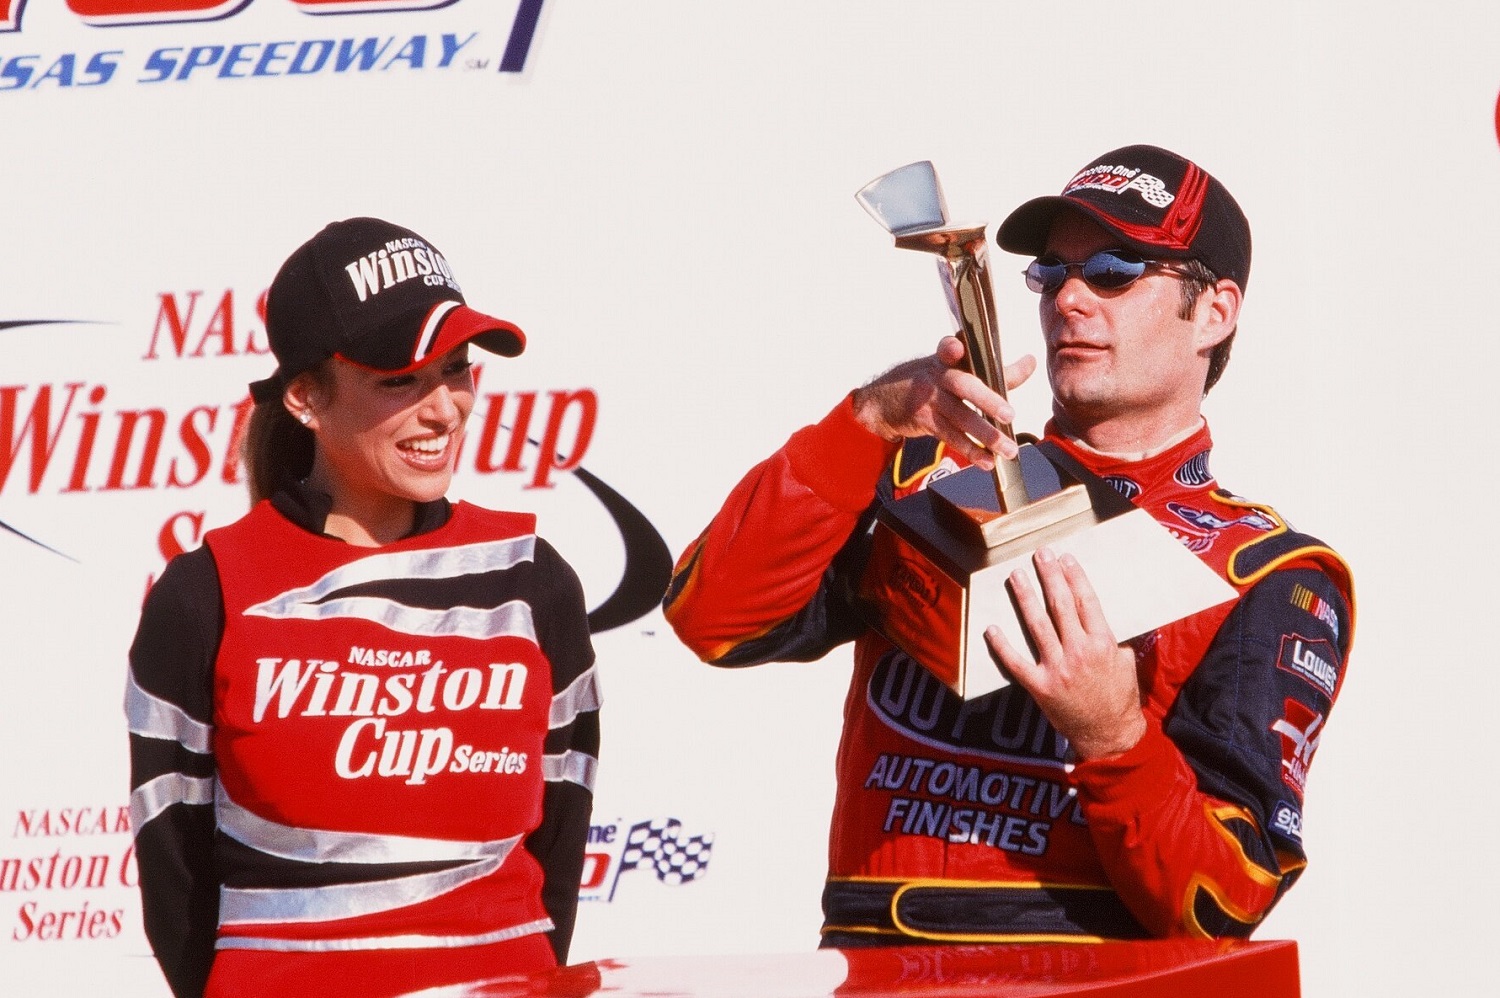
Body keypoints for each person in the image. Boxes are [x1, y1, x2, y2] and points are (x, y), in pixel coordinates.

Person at [664, 145, 1353, 945]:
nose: (1071, 300)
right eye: (1052, 275)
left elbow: (1223, 902)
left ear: (1215, 311)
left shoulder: (1263, 570)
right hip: (873, 971)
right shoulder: (926, 478)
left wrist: (1112, 738)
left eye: (1116, 270)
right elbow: (713, 618)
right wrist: (865, 423)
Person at [125, 218, 599, 997]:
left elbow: (560, 838)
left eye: (457, 370)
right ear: (307, 397)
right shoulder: (207, 594)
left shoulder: (533, 582)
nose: (445, 410)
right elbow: (175, 878)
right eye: (399, 381)